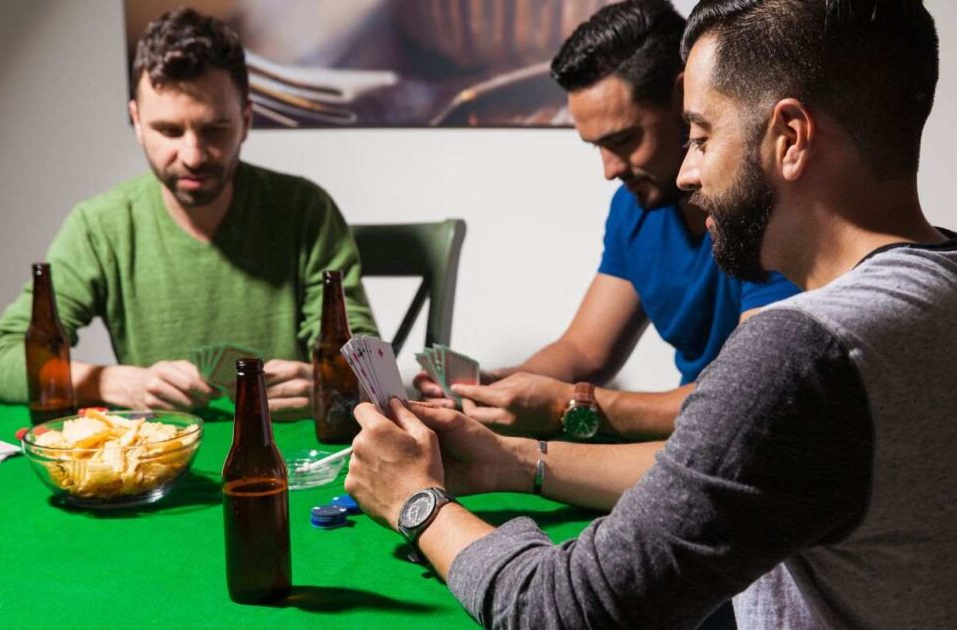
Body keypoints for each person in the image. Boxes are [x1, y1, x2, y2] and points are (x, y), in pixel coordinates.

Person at [346, 0, 956, 627]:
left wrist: (418, 503)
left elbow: (564, 611)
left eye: (701, 135)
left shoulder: (800, 355)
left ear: (791, 139)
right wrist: (507, 457)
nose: (688, 173)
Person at [417, 0, 798, 441]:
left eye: (623, 139)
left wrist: (568, 406)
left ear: (685, 99)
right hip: (686, 444)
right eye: (595, 146)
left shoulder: (763, 210)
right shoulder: (633, 209)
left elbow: (746, 398)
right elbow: (584, 350)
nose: (610, 169)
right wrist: (494, 389)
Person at [0, 8, 378, 418]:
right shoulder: (100, 226)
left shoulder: (305, 210)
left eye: (214, 130)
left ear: (246, 120)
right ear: (136, 121)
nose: (193, 155)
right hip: (154, 463)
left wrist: (327, 384)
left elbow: (369, 368)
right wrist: (116, 381)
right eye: (169, 130)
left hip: (286, 463)